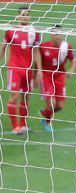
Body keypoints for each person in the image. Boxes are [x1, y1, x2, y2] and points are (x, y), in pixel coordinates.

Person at [0, 7, 42, 135]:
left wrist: (39, 70)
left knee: (26, 97)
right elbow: (3, 48)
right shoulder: (10, 31)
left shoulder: (34, 32)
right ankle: (15, 127)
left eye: (27, 14)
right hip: (15, 69)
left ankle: (23, 125)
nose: (25, 17)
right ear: (18, 17)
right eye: (22, 14)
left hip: (28, 70)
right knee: (14, 96)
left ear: (30, 17)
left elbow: (36, 51)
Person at [39, 25, 76, 133]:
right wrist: (37, 74)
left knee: (60, 106)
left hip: (60, 77)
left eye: (59, 34)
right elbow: (37, 61)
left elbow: (73, 59)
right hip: (46, 77)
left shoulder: (66, 46)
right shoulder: (43, 46)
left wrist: (72, 69)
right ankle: (47, 121)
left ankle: (45, 113)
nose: (58, 36)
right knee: (52, 104)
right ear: (51, 35)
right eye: (55, 34)